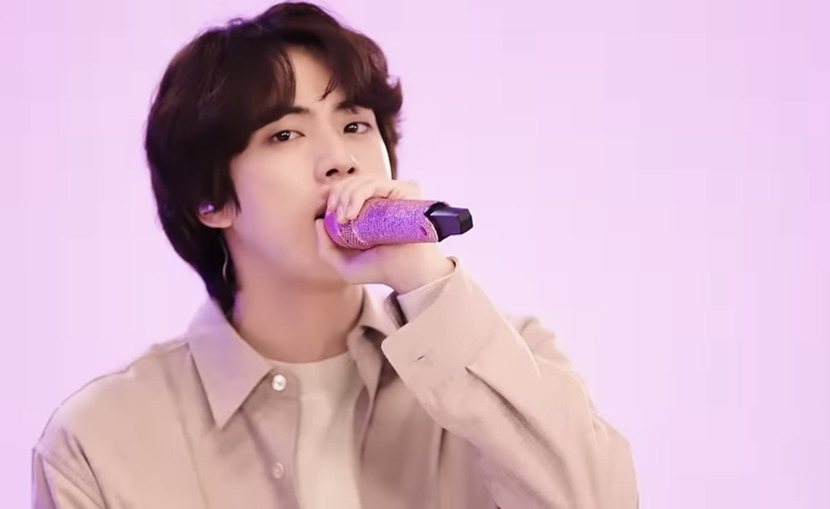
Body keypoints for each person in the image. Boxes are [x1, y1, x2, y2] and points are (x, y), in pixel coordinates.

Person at [31, 2, 639, 508]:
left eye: (355, 126)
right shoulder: (100, 442)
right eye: (285, 134)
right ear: (210, 199)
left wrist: (424, 280)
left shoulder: (509, 358)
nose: (340, 160)